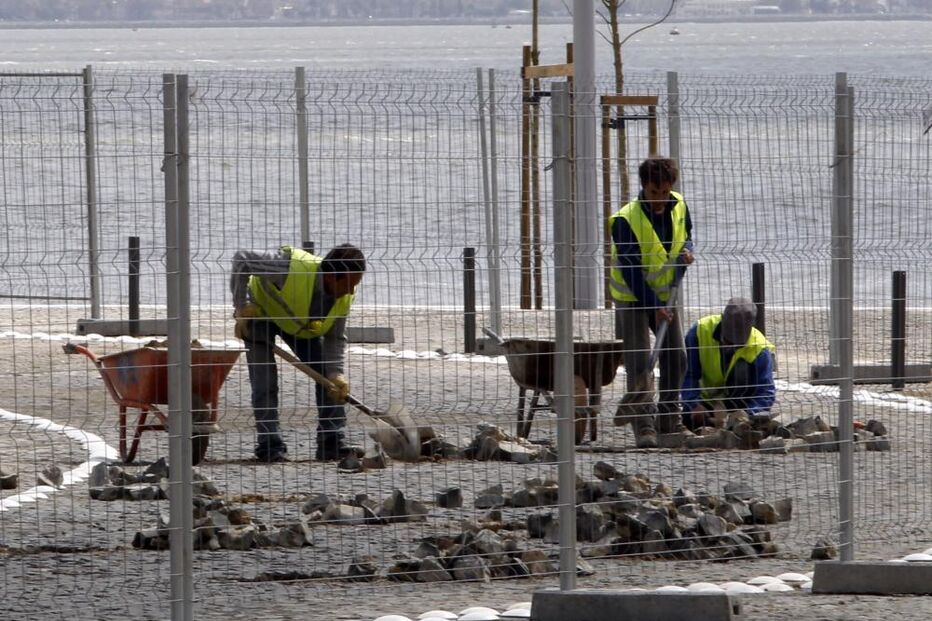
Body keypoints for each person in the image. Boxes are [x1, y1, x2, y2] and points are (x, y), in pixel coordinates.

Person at [231, 243, 365, 462]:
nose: (351, 291)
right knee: (264, 383)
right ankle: (269, 446)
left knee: (328, 381)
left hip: (299, 326)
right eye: (349, 284)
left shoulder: (345, 295)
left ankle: (331, 442)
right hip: (259, 315)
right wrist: (241, 306)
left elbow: (334, 337)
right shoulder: (288, 267)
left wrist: (336, 373)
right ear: (332, 277)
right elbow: (242, 257)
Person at [609, 157, 695, 448]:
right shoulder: (625, 220)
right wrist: (652, 307)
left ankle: (670, 421)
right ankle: (644, 427)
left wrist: (687, 253)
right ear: (644, 186)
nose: (660, 199)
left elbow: (687, 237)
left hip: (664, 295)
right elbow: (632, 272)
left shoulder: (679, 205)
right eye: (654, 192)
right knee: (640, 364)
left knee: (677, 357)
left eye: (664, 192)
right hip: (633, 298)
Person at [680, 297, 776, 437]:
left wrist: (748, 415)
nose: (729, 345)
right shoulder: (699, 332)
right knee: (690, 420)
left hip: (740, 406)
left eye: (736, 342)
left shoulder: (760, 349)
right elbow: (688, 374)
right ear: (722, 319)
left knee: (742, 368)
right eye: (727, 339)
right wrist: (693, 403)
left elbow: (766, 391)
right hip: (705, 404)